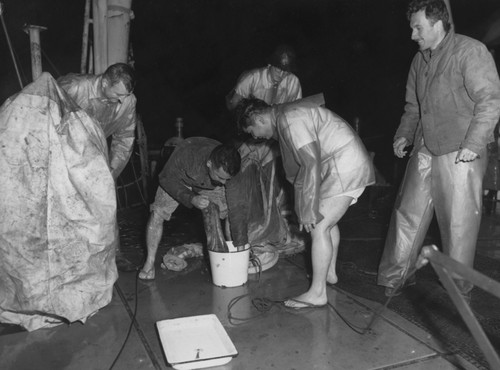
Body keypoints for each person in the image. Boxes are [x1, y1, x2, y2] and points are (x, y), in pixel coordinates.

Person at [377, 0, 500, 300]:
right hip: (425, 145)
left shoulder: (469, 52)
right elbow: (413, 107)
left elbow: (490, 100)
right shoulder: (419, 61)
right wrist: (403, 135)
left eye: (418, 27)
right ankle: (395, 277)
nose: (413, 35)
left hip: (461, 150)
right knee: (407, 213)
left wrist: (473, 144)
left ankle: (459, 291)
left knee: (458, 225)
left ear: (437, 23)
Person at [235, 98, 375, 308]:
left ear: (259, 118)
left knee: (319, 225)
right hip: (341, 162)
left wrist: (308, 208)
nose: (255, 136)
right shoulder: (286, 114)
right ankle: (329, 274)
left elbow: (309, 162)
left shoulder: (290, 118)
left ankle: (318, 293)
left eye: (252, 130)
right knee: (329, 223)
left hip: (344, 164)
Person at [226, 45, 305, 264]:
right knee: (246, 181)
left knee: (275, 183)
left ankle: (275, 232)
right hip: (249, 136)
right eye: (278, 70)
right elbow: (233, 106)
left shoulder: (293, 83)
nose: (282, 75)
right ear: (269, 65)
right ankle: (246, 231)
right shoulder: (251, 78)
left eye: (285, 71)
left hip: (274, 138)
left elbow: (295, 113)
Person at [58, 62, 138, 271]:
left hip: (97, 153)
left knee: (106, 203)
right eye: (118, 94)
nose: (122, 100)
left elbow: (125, 138)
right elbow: (43, 115)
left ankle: (115, 255)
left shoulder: (128, 101)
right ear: (104, 82)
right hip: (64, 152)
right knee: (67, 207)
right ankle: (67, 260)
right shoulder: (74, 87)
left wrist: (111, 171)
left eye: (125, 95)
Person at [139, 137, 241, 280]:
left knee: (231, 212)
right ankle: (149, 263)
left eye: (227, 179)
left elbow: (236, 206)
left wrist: (241, 240)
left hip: (208, 183)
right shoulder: (186, 155)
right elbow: (165, 179)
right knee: (158, 213)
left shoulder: (229, 166)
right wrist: (191, 198)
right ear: (209, 163)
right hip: (179, 180)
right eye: (220, 176)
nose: (224, 182)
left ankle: (233, 254)